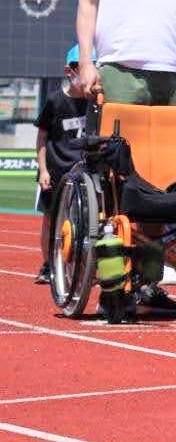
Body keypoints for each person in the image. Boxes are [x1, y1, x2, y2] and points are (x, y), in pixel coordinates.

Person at [34, 47, 91, 284]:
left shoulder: (95, 102)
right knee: (50, 219)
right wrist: (43, 170)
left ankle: (81, 265)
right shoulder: (54, 101)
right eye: (83, 66)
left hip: (84, 172)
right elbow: (42, 138)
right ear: (70, 71)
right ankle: (48, 265)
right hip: (56, 171)